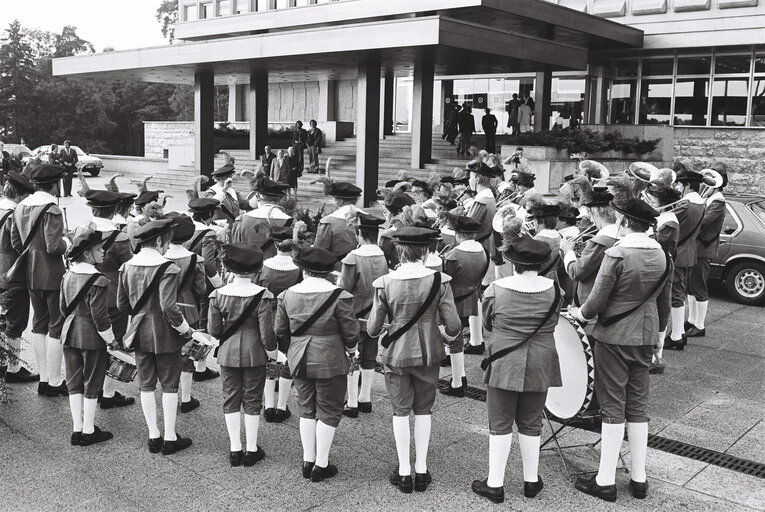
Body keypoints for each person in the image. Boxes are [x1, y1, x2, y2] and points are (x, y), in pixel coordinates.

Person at [570, 198, 672, 503]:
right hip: (645, 334)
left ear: (625, 222)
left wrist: (580, 315)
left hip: (614, 336)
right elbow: (664, 304)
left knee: (613, 406)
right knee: (638, 406)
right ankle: (639, 479)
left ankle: (605, 480)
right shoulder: (664, 255)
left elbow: (598, 300)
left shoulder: (617, 253)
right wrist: (659, 338)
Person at [367, 226, 461, 494]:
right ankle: (421, 468)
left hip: (396, 352)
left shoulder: (385, 282)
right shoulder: (439, 281)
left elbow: (373, 329)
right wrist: (440, 332)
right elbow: (454, 326)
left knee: (400, 411)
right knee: (423, 410)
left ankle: (404, 471)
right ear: (426, 251)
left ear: (399, 250)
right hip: (429, 351)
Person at [471, 236, 561, 504]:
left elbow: (487, 322)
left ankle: (495, 483)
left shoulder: (496, 289)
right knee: (532, 422)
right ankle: (531, 480)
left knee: (499, 423)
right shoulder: (555, 290)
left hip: (505, 360)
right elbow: (554, 322)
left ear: (512, 261)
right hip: (541, 360)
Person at [274, 246, 359, 482]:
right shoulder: (339, 296)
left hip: (298, 356)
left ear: (304, 272)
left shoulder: (287, 295)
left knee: (306, 407)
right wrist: (351, 351)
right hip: (330, 357)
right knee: (329, 409)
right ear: (329, 272)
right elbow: (351, 333)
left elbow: (279, 330)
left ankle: (307, 459)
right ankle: (321, 464)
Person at [117, 218, 197, 455]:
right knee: (170, 384)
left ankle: (153, 435)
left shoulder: (126, 267)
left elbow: (122, 305)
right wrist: (185, 330)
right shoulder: (168, 268)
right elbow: (169, 307)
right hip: (164, 332)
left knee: (146, 384)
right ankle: (170, 437)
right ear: (161, 240)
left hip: (139, 329)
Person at [209, 243, 277, 467]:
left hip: (228, 351)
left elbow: (214, 331)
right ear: (256, 269)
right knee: (252, 399)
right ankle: (251, 448)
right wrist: (273, 354)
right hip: (254, 352)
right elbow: (267, 334)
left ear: (229, 269)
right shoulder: (263, 296)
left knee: (230, 397)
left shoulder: (218, 295)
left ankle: (234, 448)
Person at [11, 164, 70, 397]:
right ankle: (54, 381)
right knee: (56, 326)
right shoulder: (52, 209)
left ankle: (43, 378)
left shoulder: (20, 207)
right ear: (54, 184)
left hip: (29, 272)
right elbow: (54, 246)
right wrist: (69, 242)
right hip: (52, 273)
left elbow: (17, 243)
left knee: (39, 325)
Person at [75, 190, 135, 409]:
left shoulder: (82, 229)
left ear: (93, 208)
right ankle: (107, 394)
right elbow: (128, 267)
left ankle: (90, 385)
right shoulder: (119, 237)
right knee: (114, 341)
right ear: (114, 211)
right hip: (111, 294)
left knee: (91, 340)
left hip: (82, 289)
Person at [60, 228, 118, 446]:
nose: (103, 252)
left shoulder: (67, 275)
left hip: (70, 331)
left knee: (74, 381)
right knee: (93, 381)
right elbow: (100, 317)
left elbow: (62, 307)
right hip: (92, 336)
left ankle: (77, 428)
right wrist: (111, 339)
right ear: (86, 254)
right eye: (98, 249)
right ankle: (89, 429)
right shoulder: (99, 280)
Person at [337, 211, 389, 417]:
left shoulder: (353, 257)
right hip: (375, 314)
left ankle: (351, 402)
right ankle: (365, 399)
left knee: (352, 356)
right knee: (369, 356)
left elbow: (344, 289)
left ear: (359, 233)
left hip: (354, 315)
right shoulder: (382, 255)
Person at [256, 225, 302, 423]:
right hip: (291, 318)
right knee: (288, 360)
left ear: (275, 243)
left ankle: (268, 405)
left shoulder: (263, 267)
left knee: (270, 359)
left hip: (267, 317)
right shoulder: (299, 269)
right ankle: (282, 406)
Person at [163, 213, 207, 413]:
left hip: (165, 308)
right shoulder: (195, 259)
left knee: (168, 351)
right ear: (189, 236)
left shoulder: (161, 257)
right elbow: (201, 290)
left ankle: (167, 391)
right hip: (189, 307)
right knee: (188, 355)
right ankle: (187, 398)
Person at [440, 216, 487, 397]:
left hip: (453, 299)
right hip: (471, 296)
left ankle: (458, 381)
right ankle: (457, 375)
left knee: (454, 340)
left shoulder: (454, 255)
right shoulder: (482, 251)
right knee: (455, 338)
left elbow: (445, 280)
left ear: (458, 234)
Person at [0, 171, 38, 383]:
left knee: (2, 319)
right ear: (20, 195)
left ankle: (2, 362)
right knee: (15, 321)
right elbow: (19, 245)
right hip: (11, 274)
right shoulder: (15, 214)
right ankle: (13, 369)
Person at [664, 169, 705, 351]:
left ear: (687, 185)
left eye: (680, 184)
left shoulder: (686, 205)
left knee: (676, 295)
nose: (678, 187)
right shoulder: (700, 203)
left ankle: (676, 336)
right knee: (679, 292)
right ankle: (678, 333)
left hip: (679, 252)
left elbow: (672, 226)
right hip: (689, 251)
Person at [687, 165, 727, 338]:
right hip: (695, 247)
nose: (704, 187)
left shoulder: (718, 201)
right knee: (690, 285)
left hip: (704, 248)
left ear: (716, 185)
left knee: (699, 286)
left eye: (708, 184)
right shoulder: (708, 198)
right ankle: (691, 320)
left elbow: (704, 220)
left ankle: (700, 325)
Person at [561, 191, 619, 309]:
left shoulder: (600, 241)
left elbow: (576, 272)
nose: (592, 220)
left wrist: (568, 251)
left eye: (591, 213)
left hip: (590, 301)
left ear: (597, 211)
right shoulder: (618, 236)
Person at [463, 162, 497, 356]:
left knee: (473, 295)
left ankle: (476, 340)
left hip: (477, 249)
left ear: (477, 177)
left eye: (471, 176)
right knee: (475, 294)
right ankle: (476, 338)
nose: (469, 179)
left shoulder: (482, 200)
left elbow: (467, 227)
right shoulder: (486, 197)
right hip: (482, 248)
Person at [230, 176, 291, 259]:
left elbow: (235, 253)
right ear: (280, 199)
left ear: (258, 196)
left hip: (249, 269)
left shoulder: (242, 221)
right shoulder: (291, 222)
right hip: (278, 271)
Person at [314, 182, 362, 271]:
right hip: (363, 267)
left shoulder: (328, 221)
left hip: (339, 269)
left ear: (339, 201)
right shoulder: (367, 217)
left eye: (335, 198)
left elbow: (319, 251)